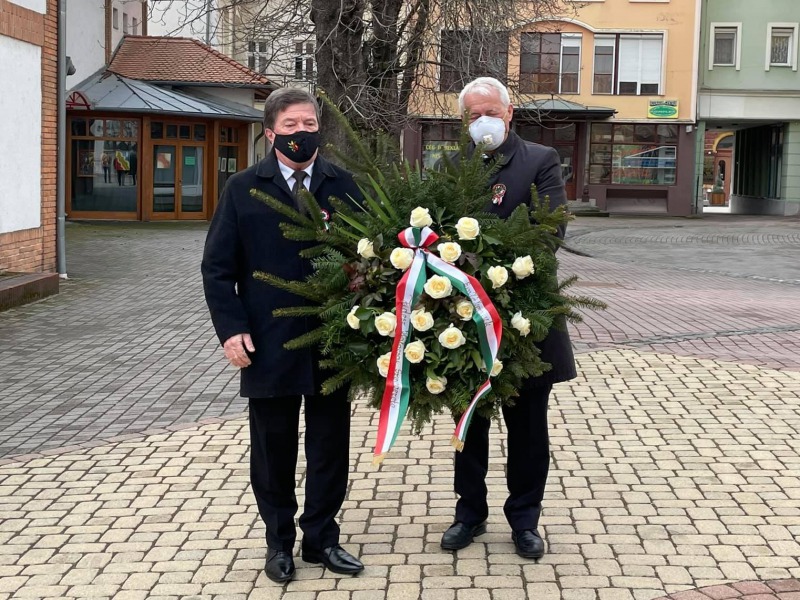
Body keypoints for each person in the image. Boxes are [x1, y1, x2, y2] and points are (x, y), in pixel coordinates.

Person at [201, 88, 364, 584]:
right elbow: (216, 267)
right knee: (273, 448)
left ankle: (321, 538)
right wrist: (231, 331)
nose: (301, 133)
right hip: (268, 342)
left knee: (330, 445)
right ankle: (279, 543)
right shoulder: (244, 188)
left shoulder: (345, 185)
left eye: (309, 123)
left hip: (335, 339)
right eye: (291, 125)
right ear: (271, 132)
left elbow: (371, 254)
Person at [439, 77, 577, 560]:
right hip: (463, 318)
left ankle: (524, 520)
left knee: (527, 427)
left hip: (524, 317)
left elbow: (548, 230)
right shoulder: (453, 164)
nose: (483, 121)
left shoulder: (540, 161)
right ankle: (469, 514)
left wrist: (483, 261)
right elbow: (437, 231)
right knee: (468, 421)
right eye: (473, 115)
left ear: (509, 112)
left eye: (490, 112)